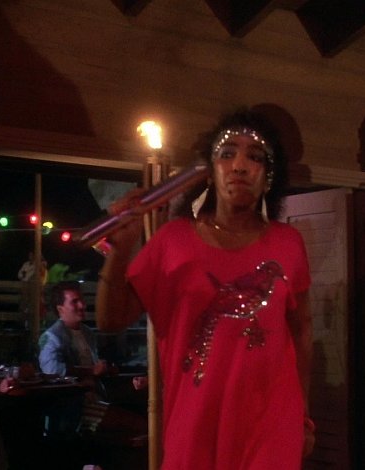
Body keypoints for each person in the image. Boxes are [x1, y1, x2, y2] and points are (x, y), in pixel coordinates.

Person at [94, 108, 314, 469]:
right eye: (227, 154)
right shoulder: (173, 240)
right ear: (210, 172)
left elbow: (301, 330)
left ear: (268, 177)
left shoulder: (288, 243)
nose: (240, 165)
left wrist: (303, 415)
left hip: (271, 426)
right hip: (194, 425)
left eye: (255, 157)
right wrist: (121, 250)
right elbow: (109, 320)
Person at [38, 280, 108, 379]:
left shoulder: (88, 333)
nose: (82, 306)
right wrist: (91, 371)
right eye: (74, 302)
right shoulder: (52, 336)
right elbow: (51, 369)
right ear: (60, 309)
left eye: (82, 300)